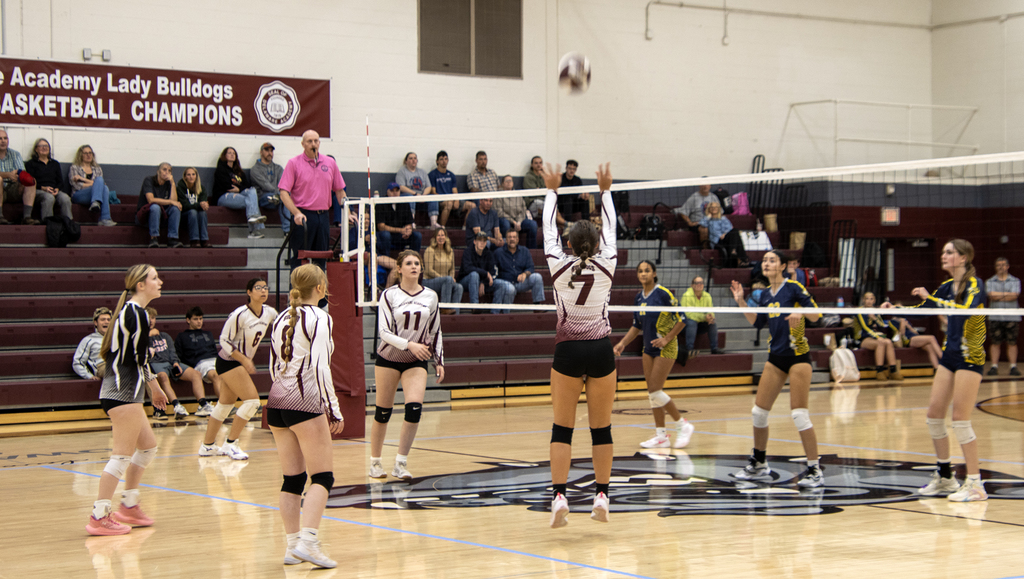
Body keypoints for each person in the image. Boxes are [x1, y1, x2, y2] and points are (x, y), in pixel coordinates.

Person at [884, 239, 988, 501]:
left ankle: (975, 484)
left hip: (970, 356)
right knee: (933, 415)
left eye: (949, 252)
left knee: (961, 419)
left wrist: (931, 297)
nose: (944, 256)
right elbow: (923, 309)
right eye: (943, 252)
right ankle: (945, 476)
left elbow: (965, 311)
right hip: (950, 355)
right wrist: (892, 311)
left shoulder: (975, 285)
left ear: (963, 258)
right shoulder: (945, 287)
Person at [542, 161, 616, 528]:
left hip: (568, 350)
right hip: (601, 349)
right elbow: (613, 229)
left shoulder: (557, 266)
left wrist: (552, 190)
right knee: (601, 429)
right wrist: (605, 191)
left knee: (562, 428)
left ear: (568, 244)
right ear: (599, 243)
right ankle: (602, 495)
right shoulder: (608, 265)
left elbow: (546, 232)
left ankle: (559, 497)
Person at [267, 264, 344, 568]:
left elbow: (274, 366)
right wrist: (333, 409)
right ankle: (309, 542)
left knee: (293, 479)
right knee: (323, 476)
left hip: (276, 403)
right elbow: (321, 368)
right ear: (321, 288)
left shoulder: (280, 318)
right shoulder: (321, 318)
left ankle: (292, 546)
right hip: (305, 402)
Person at [729, 249, 824, 488]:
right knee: (758, 413)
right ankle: (759, 463)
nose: (766, 264)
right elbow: (758, 322)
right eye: (764, 260)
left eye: (772, 260)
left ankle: (814, 470)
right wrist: (741, 301)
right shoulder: (763, 295)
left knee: (799, 415)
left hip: (798, 357)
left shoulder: (794, 288)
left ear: (782, 266)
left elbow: (817, 315)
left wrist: (800, 311)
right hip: (776, 358)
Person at [87, 264, 165, 536]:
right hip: (123, 394)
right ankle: (99, 516)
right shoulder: (137, 314)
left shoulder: (130, 312)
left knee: (148, 447)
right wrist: (155, 386)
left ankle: (129, 506)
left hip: (123, 393)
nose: (160, 282)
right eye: (155, 278)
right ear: (141, 285)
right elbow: (139, 359)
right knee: (121, 456)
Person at [370, 250, 445, 480]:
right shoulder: (389, 295)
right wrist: (409, 344)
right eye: (409, 263)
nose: (414, 266)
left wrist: (439, 360)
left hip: (416, 360)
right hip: (389, 358)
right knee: (383, 412)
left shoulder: (431, 296)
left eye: (417, 263)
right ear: (399, 269)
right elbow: (383, 332)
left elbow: (435, 330)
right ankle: (375, 462)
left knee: (414, 409)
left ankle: (400, 463)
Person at [612, 260, 694, 449]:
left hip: (667, 347)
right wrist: (623, 343)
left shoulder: (663, 294)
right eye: (640, 271)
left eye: (647, 271)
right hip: (648, 348)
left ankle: (683, 424)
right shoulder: (638, 298)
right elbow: (636, 326)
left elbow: (682, 319)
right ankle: (661, 436)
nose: (643, 274)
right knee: (652, 393)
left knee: (656, 390)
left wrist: (667, 339)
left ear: (654, 273)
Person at [198, 279, 277, 461]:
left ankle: (207, 446)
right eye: (258, 288)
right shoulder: (239, 314)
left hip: (238, 364)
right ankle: (231, 443)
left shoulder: (270, 312)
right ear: (249, 292)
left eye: (265, 287)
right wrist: (244, 359)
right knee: (252, 402)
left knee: (224, 406)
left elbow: (283, 324)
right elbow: (224, 340)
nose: (263, 291)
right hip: (228, 362)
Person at [279, 130, 347, 270]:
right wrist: (296, 213)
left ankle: (319, 291)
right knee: (300, 260)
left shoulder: (330, 163)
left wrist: (349, 211)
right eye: (309, 141)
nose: (313, 144)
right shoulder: (293, 163)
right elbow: (284, 192)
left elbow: (339, 190)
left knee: (321, 259)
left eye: (316, 141)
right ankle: (297, 292)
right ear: (303, 144)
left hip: (323, 216)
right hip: (303, 215)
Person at [144, 307, 190, 420]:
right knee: (162, 376)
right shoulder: (141, 337)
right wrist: (148, 335)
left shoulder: (164, 335)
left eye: (153, 318)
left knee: (196, 374)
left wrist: (175, 363)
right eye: (148, 318)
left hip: (169, 363)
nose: (151, 321)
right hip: (154, 364)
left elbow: (172, 351)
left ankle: (203, 404)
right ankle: (176, 405)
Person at [174, 306, 222, 413]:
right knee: (215, 375)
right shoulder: (182, 336)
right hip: (200, 362)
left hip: (214, 359)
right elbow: (179, 355)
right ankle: (225, 405)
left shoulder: (208, 334)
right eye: (195, 319)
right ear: (188, 320)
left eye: (200, 319)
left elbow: (214, 351)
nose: (199, 322)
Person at [212, 146, 266, 239]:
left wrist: (239, 189)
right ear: (224, 155)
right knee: (250, 201)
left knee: (252, 190)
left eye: (234, 153)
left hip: (239, 193)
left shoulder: (240, 172)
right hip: (223, 196)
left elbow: (247, 185)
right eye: (229, 153)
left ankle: (253, 217)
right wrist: (239, 189)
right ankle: (254, 228)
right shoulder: (220, 170)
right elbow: (226, 185)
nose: (232, 155)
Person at [853, 292, 904, 381]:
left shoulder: (876, 311)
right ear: (863, 300)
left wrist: (874, 319)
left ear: (874, 300)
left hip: (874, 337)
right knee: (881, 342)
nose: (869, 301)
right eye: (867, 299)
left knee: (888, 342)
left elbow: (882, 326)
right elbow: (865, 328)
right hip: (862, 338)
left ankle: (893, 371)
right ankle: (879, 371)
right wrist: (877, 337)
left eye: (871, 299)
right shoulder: (860, 311)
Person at [494, 230, 544, 313]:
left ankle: (537, 306)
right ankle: (505, 313)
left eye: (514, 237)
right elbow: (494, 271)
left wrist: (525, 274)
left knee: (537, 277)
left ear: (518, 239)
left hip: (520, 283)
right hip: (506, 284)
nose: (512, 239)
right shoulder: (498, 253)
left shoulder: (525, 251)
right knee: (510, 288)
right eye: (510, 237)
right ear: (506, 239)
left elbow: (531, 267)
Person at [986, 257, 1021, 376]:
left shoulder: (1015, 281)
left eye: (1003, 265)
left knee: (1012, 342)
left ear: (1007, 266)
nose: (1001, 267)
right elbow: (991, 296)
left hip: (1012, 316)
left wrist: (999, 295)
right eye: (998, 265)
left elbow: (1015, 295)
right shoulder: (990, 281)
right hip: (995, 317)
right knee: (995, 342)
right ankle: (994, 366)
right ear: (995, 267)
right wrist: (1007, 294)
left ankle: (1013, 367)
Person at [24, 137, 73, 221]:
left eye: (46, 146)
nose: (44, 148)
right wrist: (43, 188)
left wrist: (57, 189)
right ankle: (48, 223)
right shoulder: (30, 164)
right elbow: (30, 182)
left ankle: (69, 223)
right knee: (49, 198)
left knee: (65, 198)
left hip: (54, 190)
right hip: (38, 190)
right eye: (41, 146)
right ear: (36, 149)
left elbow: (60, 181)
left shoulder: (55, 163)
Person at [136, 163, 183, 249]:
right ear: (158, 171)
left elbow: (174, 201)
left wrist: (172, 183)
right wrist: (170, 202)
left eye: (169, 171)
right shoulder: (149, 180)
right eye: (164, 169)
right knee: (155, 207)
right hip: (146, 215)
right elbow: (151, 200)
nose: (167, 172)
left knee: (175, 208)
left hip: (162, 215)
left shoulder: (169, 183)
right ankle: (154, 239)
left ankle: (172, 239)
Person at [458, 232, 507, 313]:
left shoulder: (489, 254)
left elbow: (492, 272)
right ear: (474, 242)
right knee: (474, 275)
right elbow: (468, 268)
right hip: (466, 282)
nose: (482, 243)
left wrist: (483, 282)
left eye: (484, 241)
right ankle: (475, 306)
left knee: (501, 284)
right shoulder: (468, 252)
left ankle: (495, 312)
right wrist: (485, 273)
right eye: (479, 240)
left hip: (483, 282)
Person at [69, 144, 116, 227]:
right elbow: (77, 185)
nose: (88, 155)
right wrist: (96, 184)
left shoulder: (97, 168)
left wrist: (82, 178)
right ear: (81, 155)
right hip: (79, 194)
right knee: (102, 185)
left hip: (92, 195)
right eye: (85, 153)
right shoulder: (74, 168)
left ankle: (97, 205)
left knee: (104, 187)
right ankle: (104, 217)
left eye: (90, 153)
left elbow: (101, 184)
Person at [0, 128, 39, 225]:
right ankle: (0, 216)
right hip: (0, 188)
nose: (3, 141)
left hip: (13, 188)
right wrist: (7, 175)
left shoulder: (15, 154)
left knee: (30, 181)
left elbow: (22, 172)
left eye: (5, 138)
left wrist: (18, 177)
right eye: (0, 138)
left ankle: (27, 217)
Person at [251, 142, 290, 235]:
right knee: (285, 197)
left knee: (285, 197)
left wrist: (281, 194)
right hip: (263, 198)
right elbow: (265, 185)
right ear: (261, 152)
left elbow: (283, 183)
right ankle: (287, 229)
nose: (270, 153)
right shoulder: (255, 169)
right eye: (267, 150)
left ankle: (287, 231)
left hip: (278, 198)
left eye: (271, 151)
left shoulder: (279, 168)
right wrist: (280, 193)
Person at [422, 227, 463, 314]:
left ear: (446, 237)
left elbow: (452, 268)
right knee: (447, 280)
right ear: (435, 238)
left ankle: (456, 313)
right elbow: (429, 270)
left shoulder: (450, 251)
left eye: (443, 235)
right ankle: (444, 308)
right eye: (438, 235)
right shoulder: (430, 250)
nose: (441, 237)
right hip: (429, 281)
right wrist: (446, 279)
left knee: (459, 287)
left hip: (445, 281)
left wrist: (451, 278)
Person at [680, 276, 722, 357]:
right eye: (696, 283)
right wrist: (703, 317)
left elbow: (711, 310)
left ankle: (714, 349)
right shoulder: (686, 295)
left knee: (712, 323)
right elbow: (688, 314)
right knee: (692, 322)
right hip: (686, 326)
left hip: (699, 326)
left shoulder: (707, 296)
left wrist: (710, 317)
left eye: (701, 283)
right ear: (692, 285)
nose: (699, 285)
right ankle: (689, 349)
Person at [376, 182, 422, 256]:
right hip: (385, 236)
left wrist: (408, 231)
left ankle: (415, 259)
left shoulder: (404, 203)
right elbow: (381, 227)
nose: (395, 193)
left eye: (397, 191)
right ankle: (385, 260)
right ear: (387, 192)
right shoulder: (380, 204)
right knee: (385, 235)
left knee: (417, 236)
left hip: (400, 236)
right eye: (392, 191)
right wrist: (401, 230)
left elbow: (409, 223)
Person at [494, 174, 538, 249]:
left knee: (533, 225)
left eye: (510, 181)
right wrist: (513, 222)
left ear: (513, 183)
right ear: (502, 184)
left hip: (518, 222)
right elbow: (499, 212)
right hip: (506, 221)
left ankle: (531, 249)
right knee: (505, 224)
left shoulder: (518, 194)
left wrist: (519, 222)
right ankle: (506, 249)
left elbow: (523, 210)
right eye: (506, 181)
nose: (508, 182)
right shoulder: (498, 195)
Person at [428, 150, 470, 228]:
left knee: (472, 205)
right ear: (437, 161)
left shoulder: (451, 175)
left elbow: (455, 191)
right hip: (440, 200)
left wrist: (456, 200)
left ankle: (464, 228)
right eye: (441, 159)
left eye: (445, 159)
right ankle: (441, 228)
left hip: (452, 199)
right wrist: (446, 199)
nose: (444, 161)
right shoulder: (432, 174)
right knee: (449, 203)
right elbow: (433, 191)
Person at [396, 152, 437, 228]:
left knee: (433, 198)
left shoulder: (422, 172)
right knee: (410, 197)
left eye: (415, 158)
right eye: (411, 158)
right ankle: (411, 222)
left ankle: (433, 223)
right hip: (409, 195)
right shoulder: (402, 172)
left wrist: (423, 196)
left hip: (421, 195)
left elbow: (429, 187)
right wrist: (414, 194)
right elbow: (401, 187)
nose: (413, 160)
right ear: (406, 161)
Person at [702, 201, 748, 267]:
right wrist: (708, 216)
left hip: (726, 239)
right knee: (735, 235)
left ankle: (733, 250)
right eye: (712, 207)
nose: (714, 208)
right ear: (709, 209)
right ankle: (742, 258)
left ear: (718, 209)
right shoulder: (709, 220)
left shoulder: (724, 219)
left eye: (716, 207)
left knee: (735, 231)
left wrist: (724, 234)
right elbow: (702, 224)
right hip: (716, 242)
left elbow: (730, 229)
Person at [73, 307, 112, 380]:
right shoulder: (89, 340)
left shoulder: (118, 338)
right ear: (95, 322)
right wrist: (89, 376)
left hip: (119, 364)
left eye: (109, 320)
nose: (106, 322)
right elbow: (77, 362)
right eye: (103, 319)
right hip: (103, 366)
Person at [177, 167, 210, 248]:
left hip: (196, 216)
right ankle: (194, 240)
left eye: (193, 174)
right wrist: (199, 205)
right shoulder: (180, 188)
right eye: (188, 174)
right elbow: (184, 206)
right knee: (193, 212)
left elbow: (203, 204)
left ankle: (204, 240)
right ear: (185, 177)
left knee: (202, 213)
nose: (191, 176)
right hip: (183, 216)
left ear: (196, 176)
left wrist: (204, 205)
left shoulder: (201, 189)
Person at [556, 160, 589, 230]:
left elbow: (580, 193)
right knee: (568, 198)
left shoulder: (578, 180)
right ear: (566, 168)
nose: (571, 170)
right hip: (562, 205)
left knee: (585, 201)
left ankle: (586, 224)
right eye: (570, 168)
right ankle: (568, 225)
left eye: (573, 169)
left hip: (574, 204)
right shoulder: (560, 178)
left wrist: (583, 195)